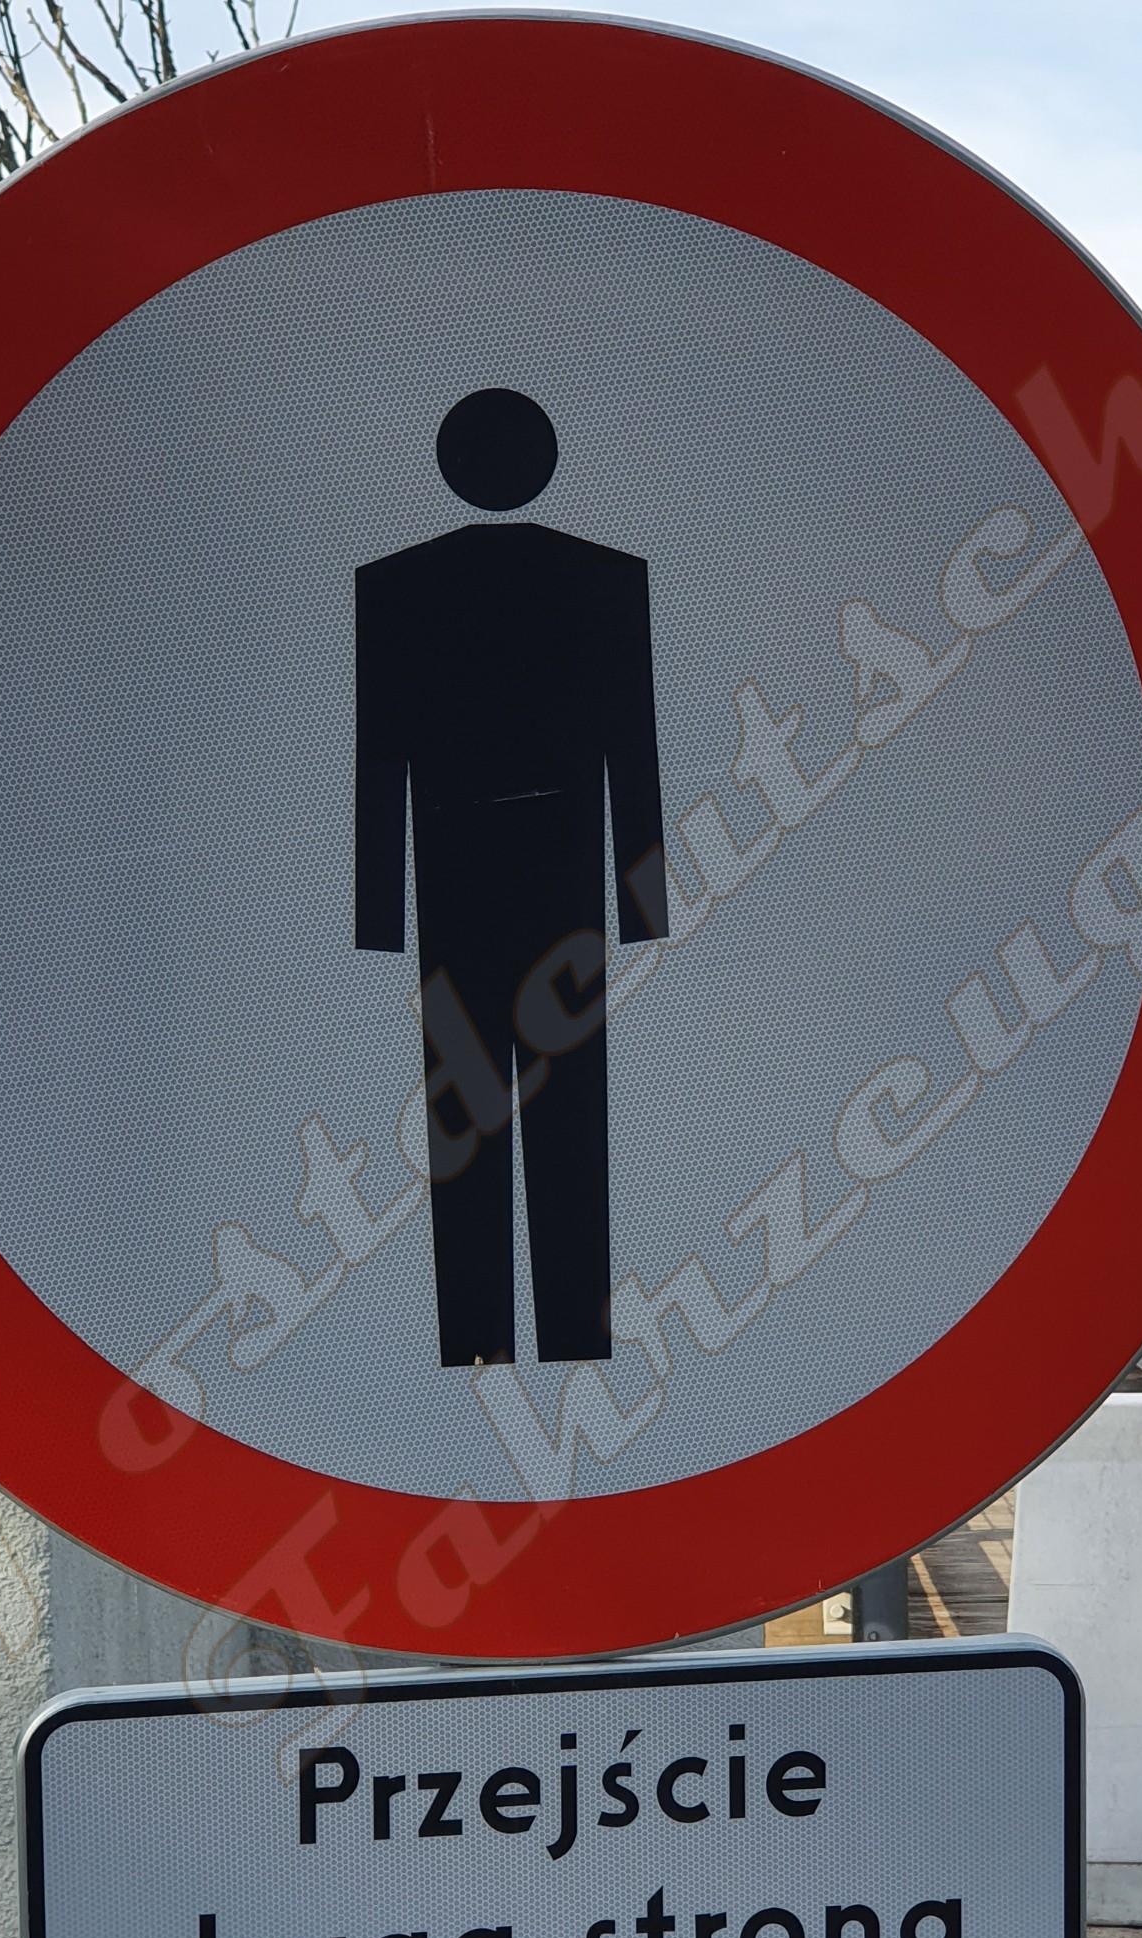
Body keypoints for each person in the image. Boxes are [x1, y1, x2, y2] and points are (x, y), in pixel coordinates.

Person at [355, 388, 668, 1367]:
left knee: (468, 1106)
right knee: (563, 1100)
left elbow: (379, 766)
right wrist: (643, 906)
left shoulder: (398, 585)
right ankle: (563, 1336)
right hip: (560, 866)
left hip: (454, 869)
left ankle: (480, 1343)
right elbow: (635, 755)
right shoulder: (605, 578)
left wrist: (380, 915)